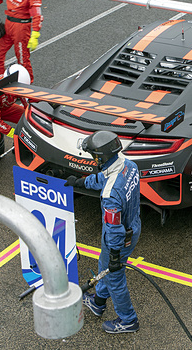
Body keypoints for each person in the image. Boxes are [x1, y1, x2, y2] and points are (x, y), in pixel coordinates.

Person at [69, 131, 142, 335]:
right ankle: (99, 302)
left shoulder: (111, 196)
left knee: (114, 276)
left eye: (94, 155)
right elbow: (106, 177)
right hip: (133, 225)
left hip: (118, 239)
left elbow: (114, 229)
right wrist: (81, 182)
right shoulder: (129, 166)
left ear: (100, 157)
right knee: (104, 267)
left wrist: (115, 255)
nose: (93, 158)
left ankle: (128, 320)